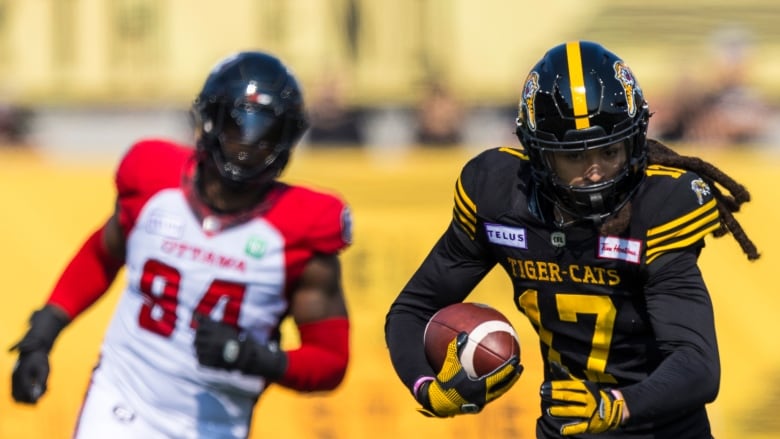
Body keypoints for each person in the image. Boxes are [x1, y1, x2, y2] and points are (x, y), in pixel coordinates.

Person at [385, 40, 760, 438]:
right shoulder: (499, 193)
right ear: (539, 154)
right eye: (574, 157)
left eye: (609, 151)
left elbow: (698, 365)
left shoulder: (659, 205)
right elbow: (413, 307)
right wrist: (427, 388)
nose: (595, 171)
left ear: (635, 142)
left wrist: (616, 406)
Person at [10, 51, 353, 438]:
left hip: (216, 425)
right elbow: (104, 252)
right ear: (209, 120)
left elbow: (331, 360)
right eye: (237, 127)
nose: (248, 146)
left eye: (265, 135)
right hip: (123, 402)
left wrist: (254, 357)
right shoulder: (154, 179)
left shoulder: (301, 229)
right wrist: (48, 327)